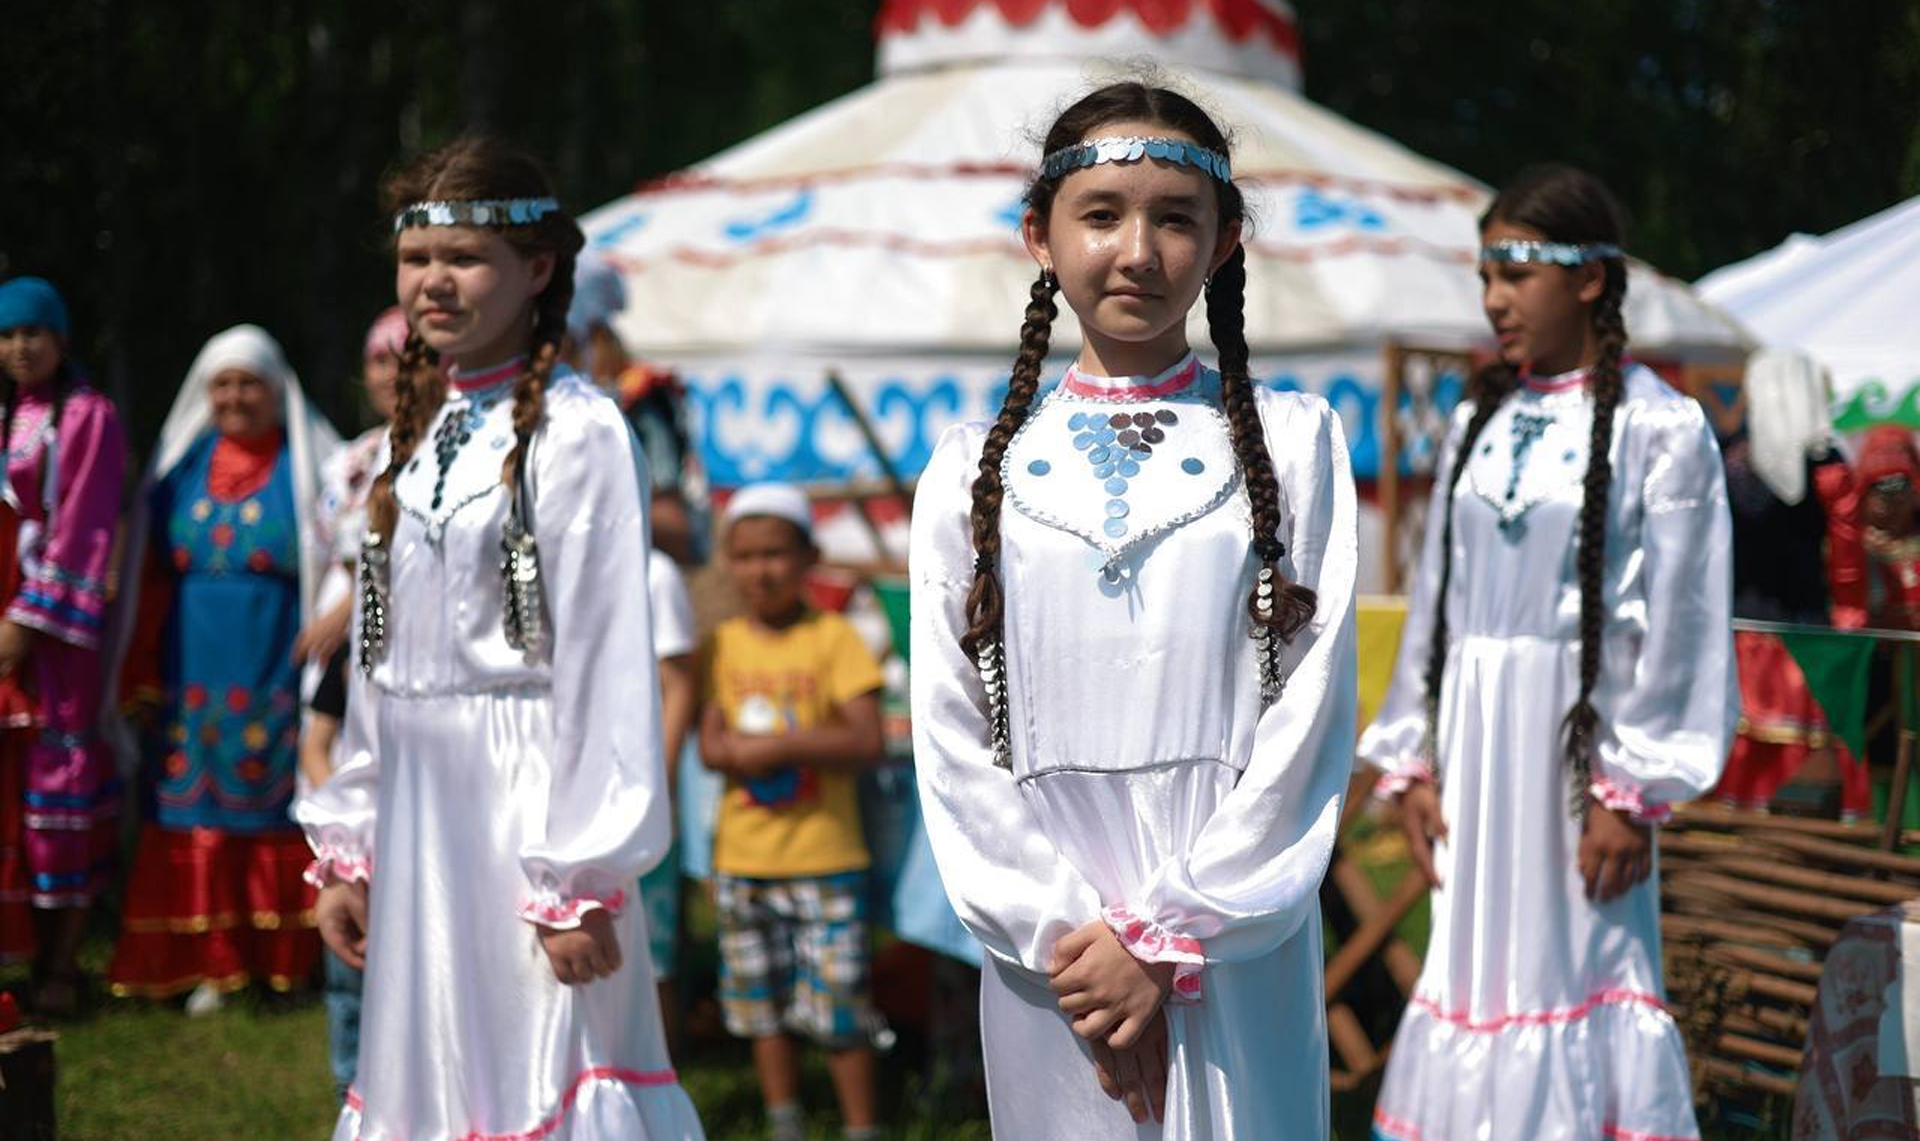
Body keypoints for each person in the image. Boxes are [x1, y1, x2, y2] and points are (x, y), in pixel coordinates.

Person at [908, 83, 1359, 1138]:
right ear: (1040, 234)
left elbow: (1312, 710)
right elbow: (948, 726)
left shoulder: (1296, 444)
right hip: (1048, 946)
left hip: (1234, 922)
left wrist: (1171, 931)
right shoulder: (969, 463)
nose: (1140, 251)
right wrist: (1074, 938)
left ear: (1224, 241)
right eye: (1103, 213)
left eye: (1176, 217)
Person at [296, 136, 703, 1141]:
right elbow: (379, 667)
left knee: (543, 1072)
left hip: (529, 812)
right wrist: (352, 843)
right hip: (421, 810)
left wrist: (581, 874)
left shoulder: (580, 432)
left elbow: (609, 661)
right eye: (417, 258)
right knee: (430, 1086)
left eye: (465, 257)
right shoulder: (416, 436)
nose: (435, 281)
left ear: (538, 270)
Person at [1358, 164, 1736, 1141]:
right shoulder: (1476, 420)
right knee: (1475, 967)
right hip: (1479, 748)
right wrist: (1414, 757)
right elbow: (1438, 602)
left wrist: (1630, 787)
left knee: (1579, 968)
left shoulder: (1662, 427)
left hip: (1581, 761)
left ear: (1590, 280)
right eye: (1485, 273)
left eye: (1516, 271)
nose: (1493, 298)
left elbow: (1686, 618)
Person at [108, 324, 339, 1013]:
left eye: (250, 383)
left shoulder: (312, 471)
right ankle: (207, 961)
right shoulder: (177, 473)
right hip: (190, 666)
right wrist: (141, 670)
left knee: (270, 803)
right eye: (223, 385)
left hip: (273, 658)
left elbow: (345, 556)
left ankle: (282, 961)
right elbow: (147, 577)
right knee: (192, 809)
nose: (236, 397)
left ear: (277, 391)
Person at [698, 482, 887, 1141]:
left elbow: (865, 739)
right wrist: (740, 751)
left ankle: (862, 1125)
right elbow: (711, 742)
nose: (762, 570)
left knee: (840, 1010)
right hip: (744, 860)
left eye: (776, 553)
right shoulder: (722, 646)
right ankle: (786, 1123)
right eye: (746, 556)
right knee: (762, 1008)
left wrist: (778, 745)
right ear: (729, 561)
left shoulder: (834, 639)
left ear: (808, 556)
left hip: (825, 859)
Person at [0, 277, 127, 1016]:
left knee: (58, 793)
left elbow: (85, 524)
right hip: (7, 618)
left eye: (33, 333)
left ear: (61, 339)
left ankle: (61, 963)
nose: (20, 347)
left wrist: (26, 620)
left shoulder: (88, 417)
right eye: (8, 335)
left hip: (54, 634)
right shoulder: (8, 415)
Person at [642, 543, 696, 1048]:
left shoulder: (653, 570)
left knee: (649, 950)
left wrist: (659, 783)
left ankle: (657, 1074)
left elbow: (677, 685)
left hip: (637, 784)